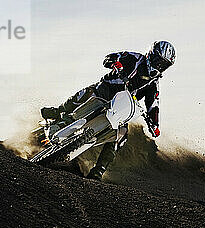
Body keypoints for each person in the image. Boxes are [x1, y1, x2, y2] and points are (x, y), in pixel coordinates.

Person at [40, 40, 176, 180]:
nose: (159, 66)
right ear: (151, 54)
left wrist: (155, 124)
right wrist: (115, 64)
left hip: (121, 108)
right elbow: (109, 58)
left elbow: (153, 104)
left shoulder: (153, 83)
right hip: (105, 91)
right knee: (86, 95)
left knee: (121, 136)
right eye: (158, 60)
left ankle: (98, 172)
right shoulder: (134, 58)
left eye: (164, 64)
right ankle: (58, 112)